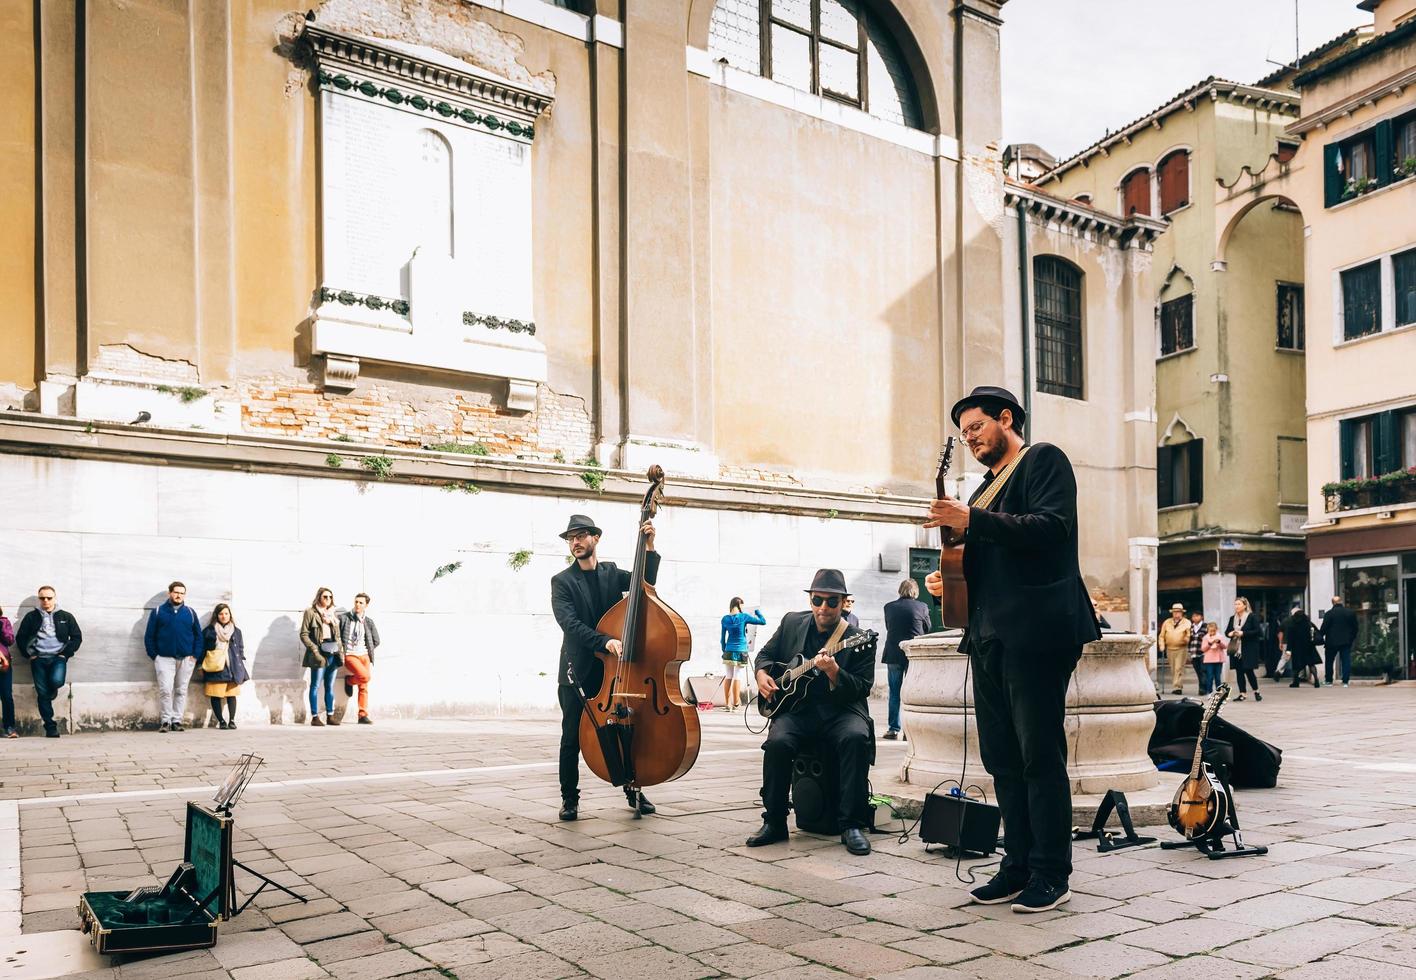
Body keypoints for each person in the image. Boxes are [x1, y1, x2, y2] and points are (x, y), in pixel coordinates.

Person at [923, 385, 1098, 914]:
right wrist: (948, 580)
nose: (970, 439)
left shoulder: (1043, 461)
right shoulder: (980, 491)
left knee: (1039, 754)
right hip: (989, 636)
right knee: (1002, 758)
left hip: (1039, 631)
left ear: (1006, 419)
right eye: (963, 434)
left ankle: (1051, 871)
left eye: (975, 427)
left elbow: (1050, 528)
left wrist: (971, 522)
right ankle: (1016, 865)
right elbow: (988, 560)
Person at [748, 569, 877, 856]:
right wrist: (761, 675)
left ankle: (851, 825)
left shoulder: (858, 639)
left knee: (856, 738)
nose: (823, 607)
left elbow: (862, 687)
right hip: (798, 709)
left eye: (832, 602)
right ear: (811, 600)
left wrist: (834, 672)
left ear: (844, 603)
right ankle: (775, 822)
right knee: (778, 743)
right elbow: (765, 656)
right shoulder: (791, 622)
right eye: (818, 600)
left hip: (841, 710)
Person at [550, 513, 660, 821]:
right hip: (578, 671)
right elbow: (570, 625)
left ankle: (632, 788)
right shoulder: (562, 582)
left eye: (582, 535)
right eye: (571, 537)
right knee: (571, 737)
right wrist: (605, 642)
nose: (576, 541)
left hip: (611, 672)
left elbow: (645, 585)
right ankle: (569, 799)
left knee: (623, 729)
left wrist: (649, 548)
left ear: (595, 538)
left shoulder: (611, 573)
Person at [15, 586, 83, 738]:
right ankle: (50, 727)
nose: (45, 601)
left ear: (55, 598)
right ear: (39, 599)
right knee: (42, 694)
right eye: (42, 598)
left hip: (58, 658)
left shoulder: (66, 616)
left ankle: (51, 689)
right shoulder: (31, 617)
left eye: (49, 598)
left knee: (57, 681)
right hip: (38, 659)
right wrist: (29, 654)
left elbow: (77, 637)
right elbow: (21, 637)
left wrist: (64, 654)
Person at [145, 581, 203, 733]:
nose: (179, 595)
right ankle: (165, 721)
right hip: (164, 658)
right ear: (169, 593)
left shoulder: (190, 612)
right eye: (176, 592)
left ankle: (176, 720)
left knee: (181, 690)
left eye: (182, 593)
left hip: (186, 659)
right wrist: (155, 656)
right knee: (165, 689)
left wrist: (195, 655)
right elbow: (149, 636)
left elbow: (198, 636)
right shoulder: (158, 611)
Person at [881, 579, 931, 740]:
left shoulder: (889, 607)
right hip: (912, 654)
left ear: (900, 590)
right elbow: (927, 628)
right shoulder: (922, 607)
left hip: (893, 653)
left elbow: (889, 626)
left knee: (894, 692)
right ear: (915, 591)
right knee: (912, 693)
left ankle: (893, 729)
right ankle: (909, 731)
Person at [301, 587, 344, 726]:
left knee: (329, 686)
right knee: (315, 685)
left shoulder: (332, 614)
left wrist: (341, 651)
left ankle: (330, 716)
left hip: (333, 651)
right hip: (319, 652)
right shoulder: (311, 612)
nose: (328, 599)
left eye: (330, 597)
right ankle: (314, 717)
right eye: (325, 596)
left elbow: (338, 636)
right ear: (319, 597)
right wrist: (314, 650)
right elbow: (304, 634)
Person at [201, 604, 249, 729]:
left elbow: (240, 648)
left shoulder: (236, 631)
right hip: (215, 666)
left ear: (230, 615)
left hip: (232, 666)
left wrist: (241, 662)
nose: (224, 616)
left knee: (231, 694)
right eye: (221, 613)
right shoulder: (209, 630)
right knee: (215, 694)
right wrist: (200, 665)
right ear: (217, 615)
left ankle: (232, 720)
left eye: (226, 613)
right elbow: (203, 648)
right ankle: (221, 721)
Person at [340, 593, 381, 724]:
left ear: (366, 605)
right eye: (356, 602)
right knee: (365, 677)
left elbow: (376, 640)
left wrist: (367, 651)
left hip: (364, 655)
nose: (357, 604)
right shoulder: (344, 618)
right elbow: (338, 637)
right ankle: (350, 681)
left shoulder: (368, 621)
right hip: (350, 655)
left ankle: (362, 715)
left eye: (361, 603)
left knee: (364, 687)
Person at [720, 598, 766, 712]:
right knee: (737, 676)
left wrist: (724, 651)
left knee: (729, 675)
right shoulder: (743, 616)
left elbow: (722, 639)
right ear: (739, 605)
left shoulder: (725, 619)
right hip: (741, 650)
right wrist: (757, 612)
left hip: (728, 650)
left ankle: (727, 704)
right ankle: (736, 703)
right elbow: (763, 621)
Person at [1225, 597, 1262, 702]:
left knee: (1249, 671)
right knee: (1239, 672)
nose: (1236, 606)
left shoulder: (1252, 617)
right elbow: (1227, 631)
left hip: (1248, 648)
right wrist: (1230, 633)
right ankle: (1242, 694)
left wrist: (1243, 633)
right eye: (1235, 604)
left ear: (1245, 605)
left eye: (1239, 604)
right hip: (1236, 649)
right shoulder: (1233, 618)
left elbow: (1258, 631)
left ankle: (1256, 691)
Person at [1280, 606, 1322, 690]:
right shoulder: (1309, 624)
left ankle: (1296, 682)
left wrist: (1288, 649)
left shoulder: (1292, 625)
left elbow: (1290, 639)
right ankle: (1316, 680)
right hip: (1309, 647)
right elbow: (1317, 632)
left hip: (1297, 648)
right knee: (1311, 665)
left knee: (1296, 666)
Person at [1320, 596, 1358, 687]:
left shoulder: (1329, 614)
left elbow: (1324, 628)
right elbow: (1355, 628)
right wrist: (1351, 638)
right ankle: (1345, 681)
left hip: (1331, 641)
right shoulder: (1350, 613)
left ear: (1332, 603)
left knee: (1329, 661)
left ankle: (1329, 680)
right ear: (1341, 602)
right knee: (1346, 660)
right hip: (1346, 641)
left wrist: (1320, 637)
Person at [1158, 603, 1191, 696]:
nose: (1176, 614)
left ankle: (1178, 687)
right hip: (1169, 648)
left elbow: (1188, 634)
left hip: (1181, 648)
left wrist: (1186, 639)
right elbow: (1161, 636)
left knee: (1178, 668)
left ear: (1182, 613)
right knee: (1173, 668)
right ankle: (1176, 685)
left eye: (1178, 612)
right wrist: (1162, 645)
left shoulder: (1186, 622)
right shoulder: (1167, 622)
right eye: (1175, 612)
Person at [1199, 622, 1227, 695]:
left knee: (1218, 677)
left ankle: (1218, 692)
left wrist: (1219, 642)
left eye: (1213, 631)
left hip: (1218, 660)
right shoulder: (1205, 637)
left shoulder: (1220, 637)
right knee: (1210, 676)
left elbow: (1225, 646)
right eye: (1210, 631)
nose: (1212, 632)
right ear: (1207, 630)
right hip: (1209, 660)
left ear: (1216, 630)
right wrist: (1210, 643)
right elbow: (1203, 649)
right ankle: (1209, 691)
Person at [0, 606, 15, 738]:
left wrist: (2, 626)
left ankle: (9, 727)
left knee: (6, 696)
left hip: (3, 663)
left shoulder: (4, 622)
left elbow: (10, 640)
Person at [1187, 610, 1207, 691]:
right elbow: (1189, 640)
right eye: (1193, 616)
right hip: (1194, 652)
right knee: (1198, 671)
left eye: (1197, 616)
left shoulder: (1206, 626)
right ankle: (1201, 687)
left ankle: (1203, 688)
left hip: (1203, 652)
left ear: (1201, 617)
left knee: (1203, 670)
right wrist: (1188, 651)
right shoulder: (1191, 627)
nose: (1195, 618)